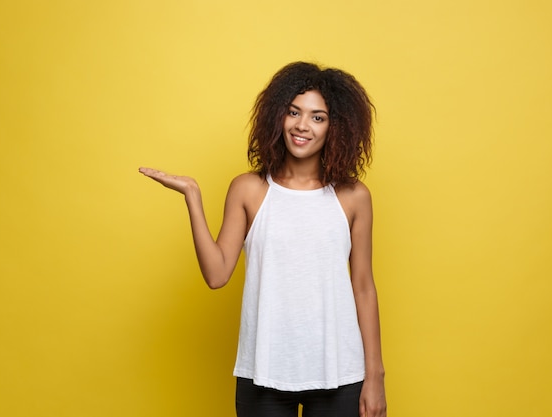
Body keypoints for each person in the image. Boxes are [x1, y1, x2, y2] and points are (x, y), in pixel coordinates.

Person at [139, 62, 387, 417]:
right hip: (264, 373)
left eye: (318, 117)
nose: (302, 125)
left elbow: (363, 286)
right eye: (294, 112)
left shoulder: (353, 197)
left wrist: (375, 375)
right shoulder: (249, 190)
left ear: (337, 127)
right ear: (277, 117)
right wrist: (192, 196)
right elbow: (216, 274)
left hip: (341, 373)